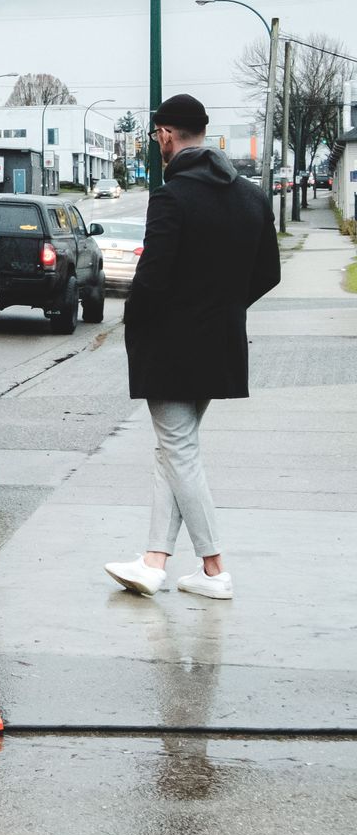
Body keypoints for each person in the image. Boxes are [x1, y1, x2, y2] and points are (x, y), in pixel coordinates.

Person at [106, 94, 279, 600]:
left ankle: (213, 568)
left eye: (155, 135)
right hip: (220, 343)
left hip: (170, 346)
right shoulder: (252, 197)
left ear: (165, 134)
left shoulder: (172, 196)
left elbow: (152, 279)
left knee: (179, 451)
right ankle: (154, 561)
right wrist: (222, 309)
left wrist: (134, 326)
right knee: (174, 449)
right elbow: (267, 273)